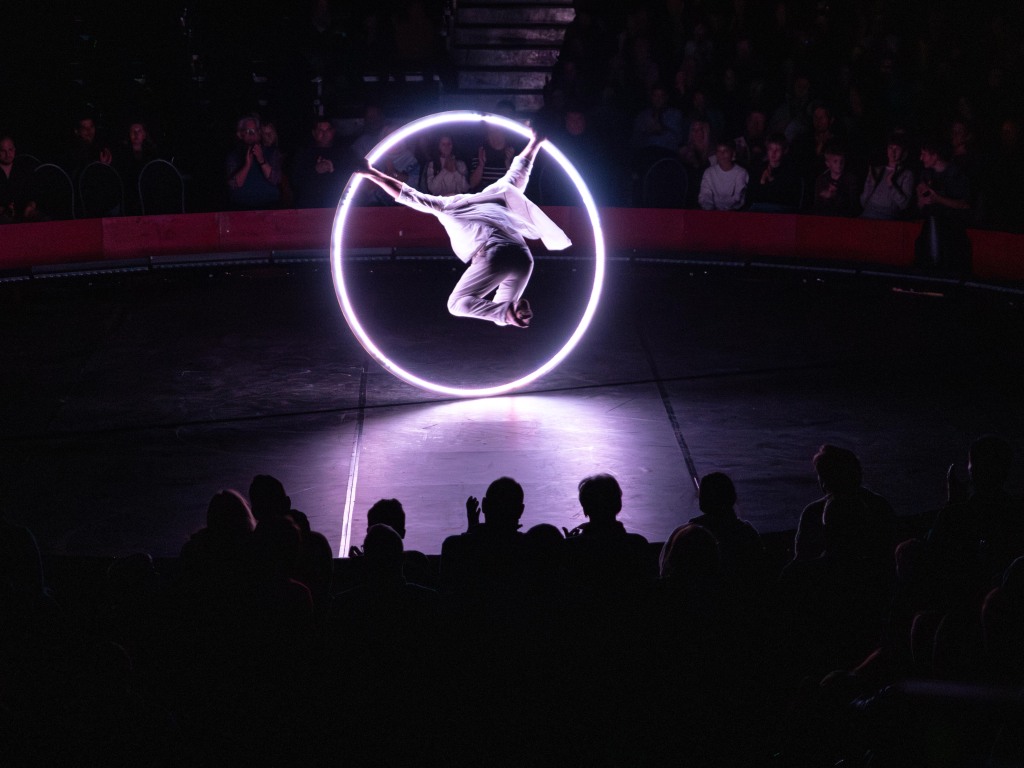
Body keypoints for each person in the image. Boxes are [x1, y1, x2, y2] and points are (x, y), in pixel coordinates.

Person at [355, 127, 571, 328]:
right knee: (502, 314)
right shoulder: (494, 194)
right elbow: (519, 171)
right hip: (523, 258)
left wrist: (370, 172)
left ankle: (508, 311)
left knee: (458, 304)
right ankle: (511, 310)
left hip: (493, 254)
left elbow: (408, 194)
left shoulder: (446, 206)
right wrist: (536, 141)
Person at [914, 137, 971, 273]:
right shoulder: (926, 174)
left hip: (951, 230)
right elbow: (920, 206)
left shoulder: (955, 174)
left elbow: (964, 204)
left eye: (924, 154)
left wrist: (937, 198)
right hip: (930, 226)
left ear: (935, 156)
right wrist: (921, 199)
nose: (921, 158)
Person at [290, 117, 354, 208]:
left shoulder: (344, 153)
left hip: (336, 207)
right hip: (309, 207)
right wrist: (315, 170)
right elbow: (295, 181)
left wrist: (332, 169)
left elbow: (350, 180)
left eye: (328, 130)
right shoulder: (304, 153)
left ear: (333, 131)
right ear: (314, 133)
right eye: (320, 130)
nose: (324, 133)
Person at [225, 115, 282, 210]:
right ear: (240, 134)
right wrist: (247, 165)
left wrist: (261, 161)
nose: (251, 134)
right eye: (248, 131)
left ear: (259, 133)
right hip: (241, 208)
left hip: (269, 207)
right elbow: (233, 184)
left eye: (254, 130)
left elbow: (276, 180)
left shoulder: (272, 152)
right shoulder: (234, 156)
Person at [859, 132, 914, 220]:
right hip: (867, 215)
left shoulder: (906, 174)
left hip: (887, 218)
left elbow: (904, 205)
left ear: (903, 152)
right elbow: (863, 202)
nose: (893, 152)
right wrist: (870, 184)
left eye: (897, 149)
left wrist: (891, 184)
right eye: (890, 148)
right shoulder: (878, 170)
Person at [747, 132, 802, 212]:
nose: (773, 153)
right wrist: (762, 181)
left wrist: (771, 180)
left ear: (784, 151)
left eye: (778, 150)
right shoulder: (758, 169)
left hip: (782, 212)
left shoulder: (790, 171)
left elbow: (787, 200)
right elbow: (751, 196)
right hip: (760, 212)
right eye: (770, 149)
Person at [697, 139, 749, 211]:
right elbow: (705, 195)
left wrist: (723, 210)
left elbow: (738, 198)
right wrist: (711, 210)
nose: (722, 154)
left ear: (733, 153)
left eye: (725, 151)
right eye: (719, 151)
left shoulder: (741, 173)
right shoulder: (709, 172)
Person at [812, 140, 859, 216]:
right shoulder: (821, 179)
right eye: (835, 161)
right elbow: (817, 205)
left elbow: (853, 205)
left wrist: (835, 196)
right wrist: (825, 197)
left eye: (842, 161)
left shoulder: (850, 180)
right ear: (827, 163)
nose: (839, 165)